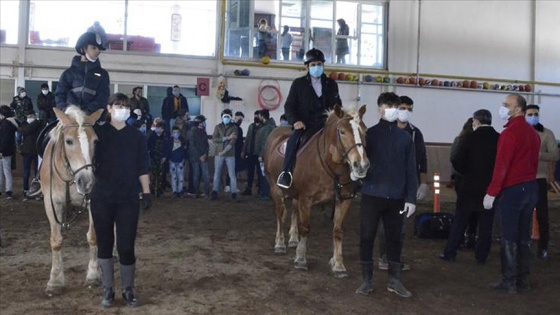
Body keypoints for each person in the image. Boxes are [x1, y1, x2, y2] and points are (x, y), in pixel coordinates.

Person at [28, 30, 110, 197]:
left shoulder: (102, 75)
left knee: (106, 144)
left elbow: (102, 98)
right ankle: (39, 177)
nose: (98, 51)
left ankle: (107, 180)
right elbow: (59, 95)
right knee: (45, 139)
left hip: (90, 120)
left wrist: (85, 116)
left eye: (99, 48)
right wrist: (70, 114)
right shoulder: (68, 73)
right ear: (83, 49)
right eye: (94, 47)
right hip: (69, 119)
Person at [91, 93, 151, 308]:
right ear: (109, 108)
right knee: (104, 244)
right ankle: (108, 288)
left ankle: (128, 288)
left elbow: (142, 166)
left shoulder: (137, 137)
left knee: (126, 245)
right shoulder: (97, 133)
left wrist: (146, 191)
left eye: (126, 106)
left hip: (128, 198)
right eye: (119, 105)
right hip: (102, 197)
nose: (123, 109)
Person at [355, 92, 417, 298]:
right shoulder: (369, 135)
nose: (392, 110)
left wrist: (411, 198)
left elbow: (411, 170)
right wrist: (356, 175)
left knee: (395, 239)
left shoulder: (406, 138)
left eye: (395, 106)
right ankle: (366, 281)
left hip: (397, 197)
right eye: (388, 106)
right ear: (379, 108)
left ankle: (395, 281)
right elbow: (360, 161)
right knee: (366, 237)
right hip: (372, 194)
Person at [483, 94, 540, 294]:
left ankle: (509, 281)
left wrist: (492, 192)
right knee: (524, 237)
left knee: (508, 236)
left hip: (513, 190)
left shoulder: (509, 134)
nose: (503, 108)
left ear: (517, 110)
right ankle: (523, 280)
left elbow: (502, 166)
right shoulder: (533, 134)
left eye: (507, 105)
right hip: (530, 188)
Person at [277, 48, 342, 188]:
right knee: (293, 140)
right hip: (304, 125)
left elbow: (337, 106)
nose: (316, 67)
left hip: (326, 125)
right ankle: (286, 172)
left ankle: (347, 177)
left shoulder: (331, 84)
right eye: (313, 65)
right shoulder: (298, 84)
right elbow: (289, 106)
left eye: (319, 64)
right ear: (307, 66)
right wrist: (295, 121)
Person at [377, 95, 428, 270]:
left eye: (409, 108)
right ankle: (384, 257)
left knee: (401, 225)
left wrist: (423, 183)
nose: (405, 112)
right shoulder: (383, 131)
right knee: (385, 224)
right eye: (403, 108)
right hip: (385, 185)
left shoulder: (415, 133)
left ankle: (394, 258)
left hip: (406, 186)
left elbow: (422, 159)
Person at [441, 110, 499, 264]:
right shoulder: (499, 138)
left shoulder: (469, 138)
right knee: (486, 225)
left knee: (460, 221)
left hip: (469, 187)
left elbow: (456, 159)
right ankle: (481, 257)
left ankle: (450, 253)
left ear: (476, 121)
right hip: (490, 188)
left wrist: (465, 172)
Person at [525, 104, 558, 260]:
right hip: (521, 179)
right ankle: (521, 244)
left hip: (538, 179)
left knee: (542, 215)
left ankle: (543, 247)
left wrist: (538, 155)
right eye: (530, 114)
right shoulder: (519, 132)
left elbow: (554, 154)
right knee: (521, 213)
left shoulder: (546, 134)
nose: (533, 116)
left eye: (535, 114)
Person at [449, 117, 478, 250]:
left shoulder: (459, 140)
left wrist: (455, 175)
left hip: (461, 179)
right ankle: (470, 236)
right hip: (475, 179)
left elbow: (453, 158)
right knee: (475, 210)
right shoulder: (478, 142)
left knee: (461, 210)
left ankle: (459, 238)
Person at [210, 109, 238, 201]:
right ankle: (215, 191)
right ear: (222, 117)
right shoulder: (218, 127)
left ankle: (234, 192)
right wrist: (227, 137)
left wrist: (224, 151)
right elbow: (214, 139)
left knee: (232, 174)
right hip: (218, 153)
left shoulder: (234, 128)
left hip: (229, 154)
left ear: (230, 117)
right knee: (217, 173)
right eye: (224, 117)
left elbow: (232, 142)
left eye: (228, 117)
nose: (226, 118)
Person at [19, 110, 44, 201]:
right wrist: (36, 122)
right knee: (26, 172)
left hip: (37, 151)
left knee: (38, 173)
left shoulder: (39, 124)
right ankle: (25, 191)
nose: (30, 118)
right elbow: (26, 131)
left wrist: (37, 122)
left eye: (31, 116)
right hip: (27, 151)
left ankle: (37, 191)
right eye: (29, 116)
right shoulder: (24, 124)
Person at [254, 109, 276, 200]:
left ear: (262, 116)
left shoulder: (267, 128)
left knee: (264, 174)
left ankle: (265, 193)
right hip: (267, 154)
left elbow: (264, 142)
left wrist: (261, 154)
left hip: (264, 155)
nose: (258, 117)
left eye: (259, 116)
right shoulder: (269, 126)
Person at [188, 115, 210, 199]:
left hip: (202, 157)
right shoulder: (192, 132)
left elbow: (207, 145)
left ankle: (206, 192)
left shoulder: (203, 132)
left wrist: (205, 154)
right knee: (197, 175)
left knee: (204, 175)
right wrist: (201, 155)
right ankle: (197, 192)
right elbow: (192, 146)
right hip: (196, 157)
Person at [241, 110, 262, 196]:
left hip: (259, 153)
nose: (255, 117)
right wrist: (243, 150)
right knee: (250, 172)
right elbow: (247, 139)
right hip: (250, 152)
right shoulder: (251, 126)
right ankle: (249, 188)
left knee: (260, 172)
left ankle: (260, 189)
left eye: (257, 116)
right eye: (255, 115)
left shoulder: (263, 127)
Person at [0, 105, 19, 199]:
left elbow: (5, 139)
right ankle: (6, 190)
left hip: (4, 152)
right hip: (6, 151)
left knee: (5, 172)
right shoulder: (7, 123)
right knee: (5, 172)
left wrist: (1, 150)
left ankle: (8, 191)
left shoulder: (6, 124)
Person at [147, 120, 170, 197]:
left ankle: (160, 190)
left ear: (163, 129)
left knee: (161, 175)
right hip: (153, 157)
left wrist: (165, 156)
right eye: (157, 127)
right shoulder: (151, 136)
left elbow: (167, 148)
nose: (158, 129)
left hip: (161, 158)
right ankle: (153, 190)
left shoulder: (165, 137)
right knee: (153, 175)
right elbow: (149, 147)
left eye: (159, 128)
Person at [225, 111, 244, 193]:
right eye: (238, 118)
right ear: (235, 118)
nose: (240, 121)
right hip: (231, 151)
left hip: (237, 152)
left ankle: (231, 185)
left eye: (241, 119)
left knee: (234, 169)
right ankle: (228, 185)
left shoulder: (239, 129)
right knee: (231, 168)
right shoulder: (231, 127)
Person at [167, 126, 188, 198]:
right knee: (173, 177)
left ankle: (180, 190)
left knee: (181, 177)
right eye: (174, 132)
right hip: (172, 161)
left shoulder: (183, 141)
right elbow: (167, 151)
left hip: (180, 161)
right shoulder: (169, 141)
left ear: (179, 133)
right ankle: (174, 191)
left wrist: (184, 158)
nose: (176, 134)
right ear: (172, 133)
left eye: (177, 132)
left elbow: (185, 151)